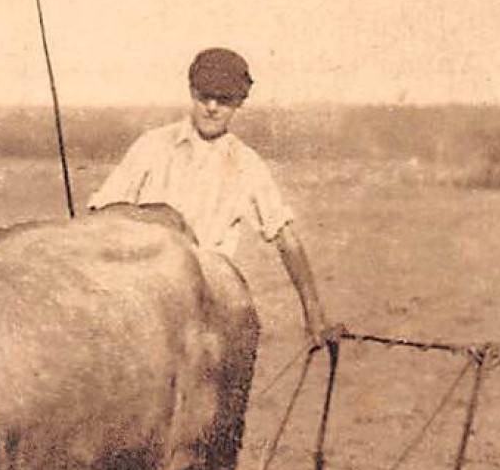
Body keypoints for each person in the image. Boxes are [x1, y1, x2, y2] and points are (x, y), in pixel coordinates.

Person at [87, 47, 334, 345]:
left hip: (206, 308)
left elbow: (285, 237)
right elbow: (102, 213)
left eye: (224, 100)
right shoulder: (152, 146)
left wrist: (313, 314)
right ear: (192, 92)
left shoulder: (246, 163)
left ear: (239, 103)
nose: (212, 107)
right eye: (204, 96)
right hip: (143, 299)